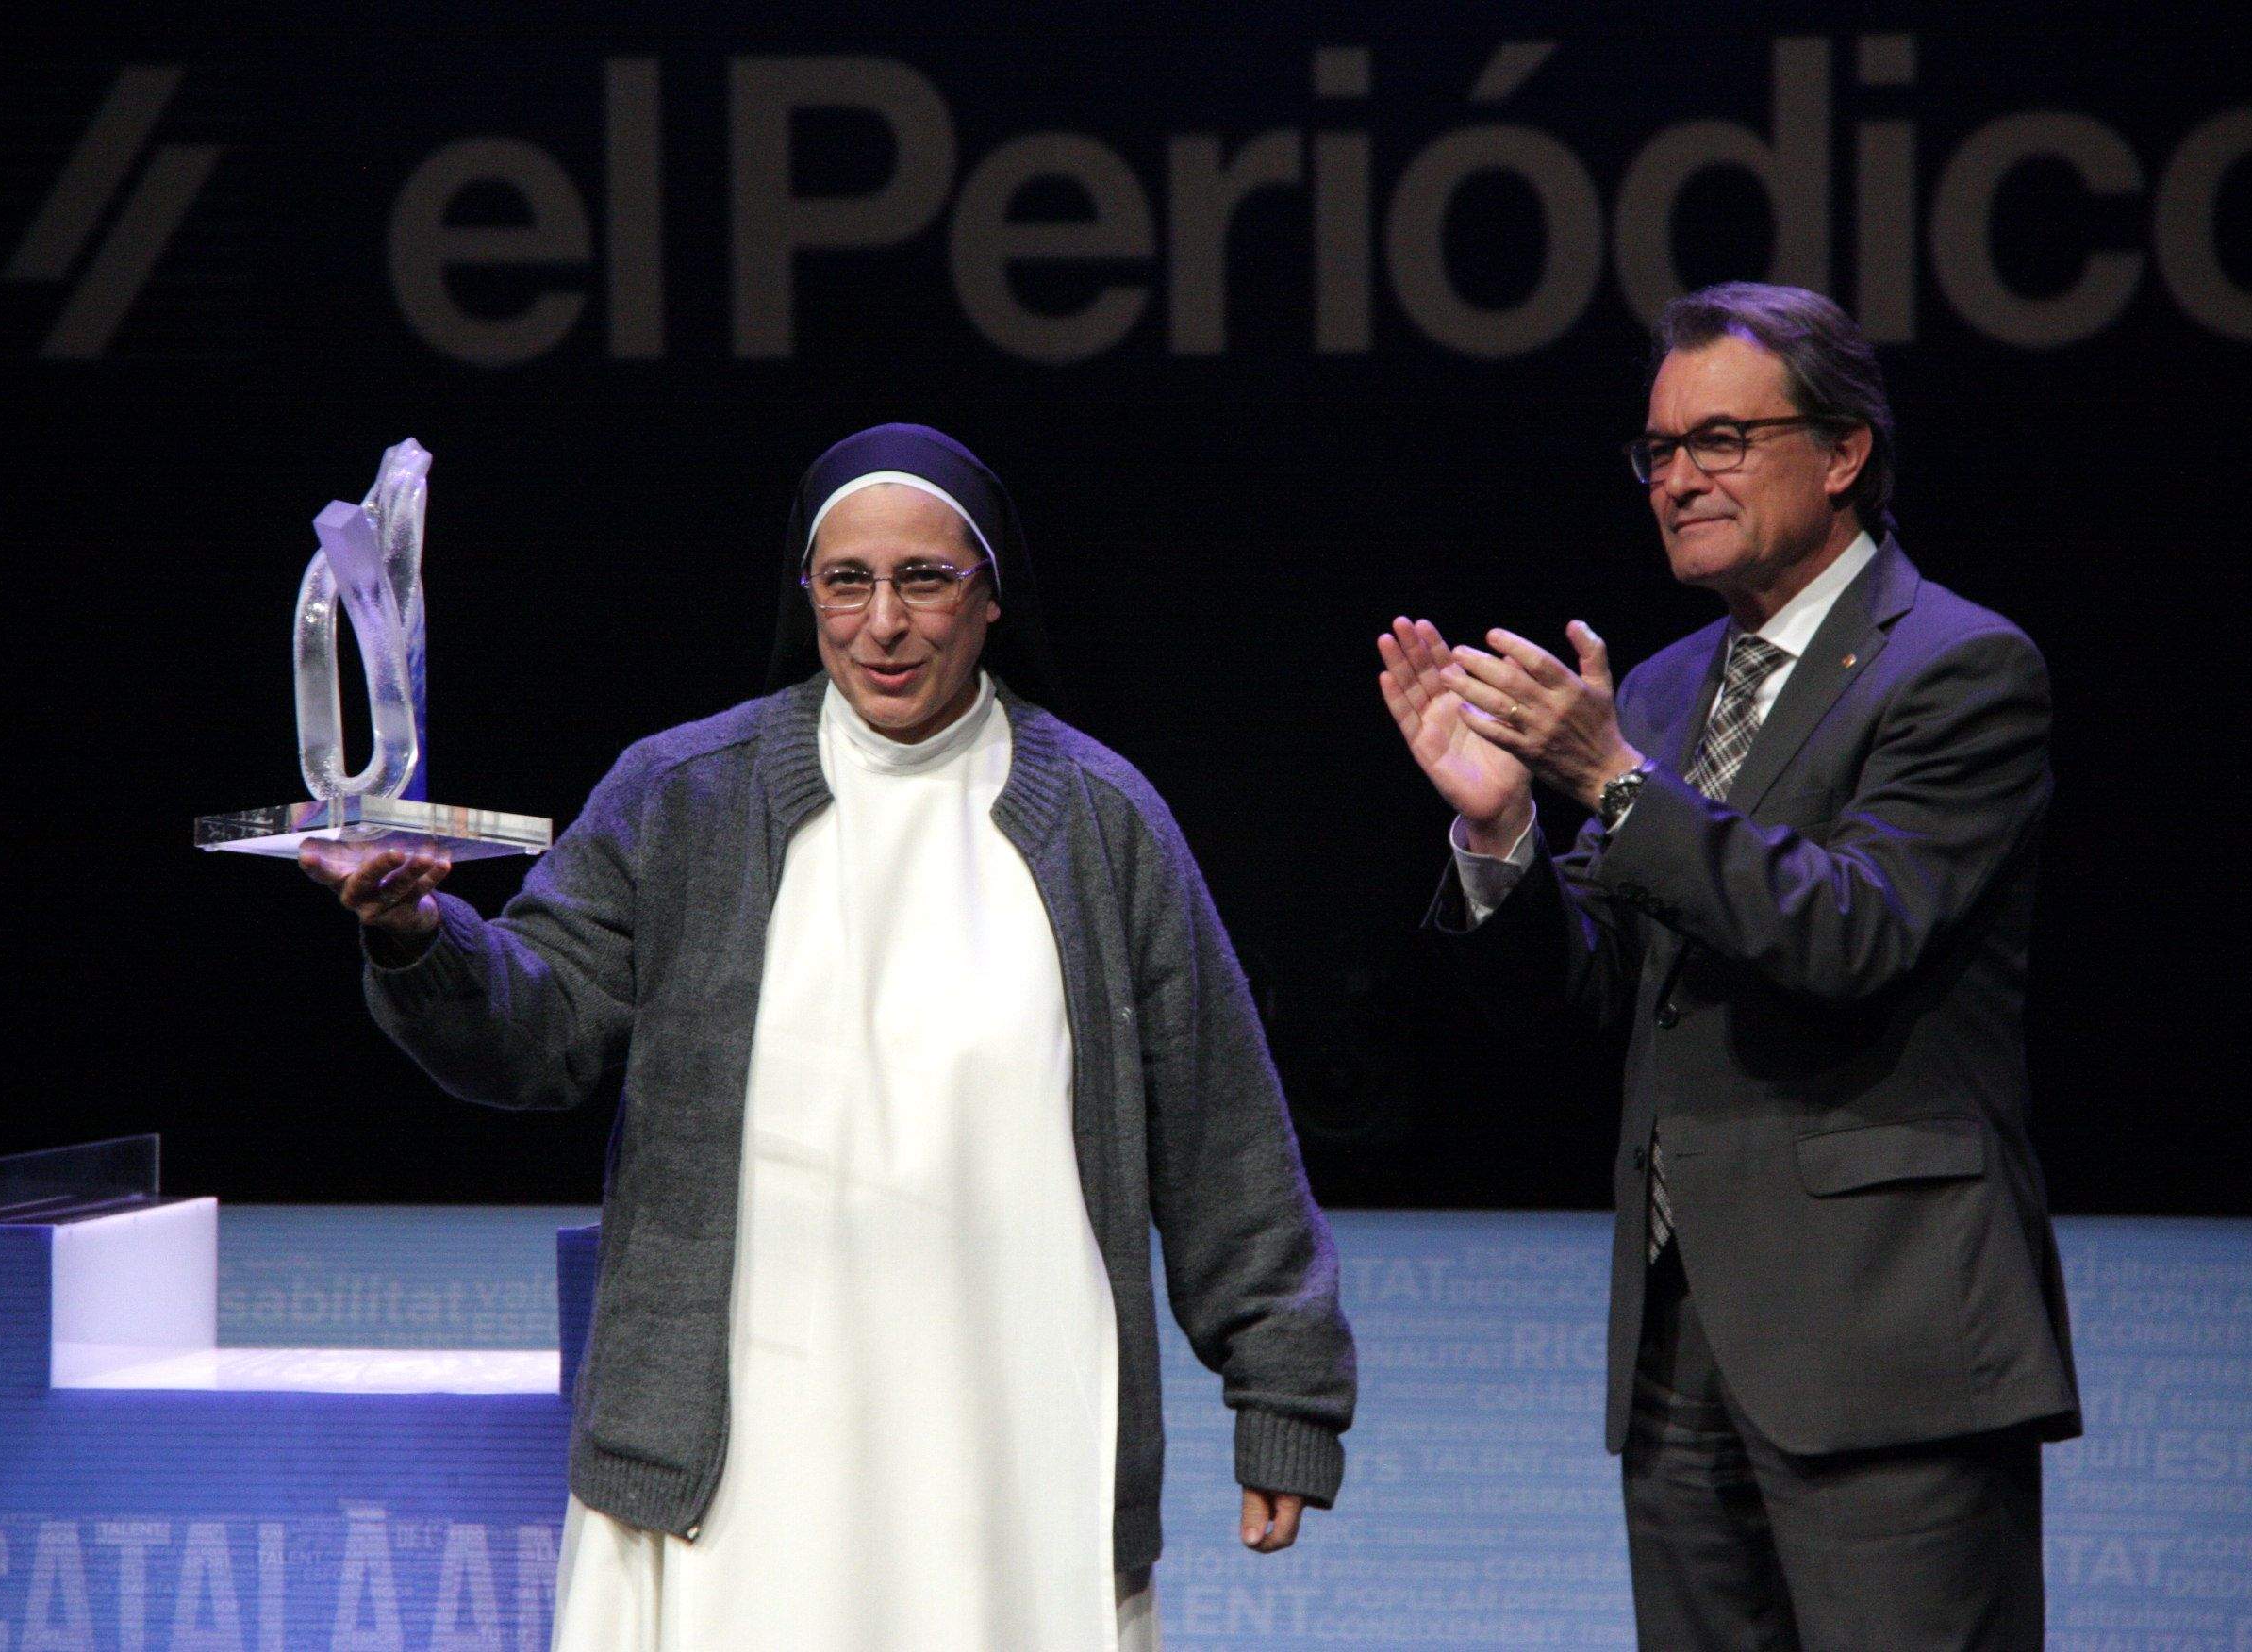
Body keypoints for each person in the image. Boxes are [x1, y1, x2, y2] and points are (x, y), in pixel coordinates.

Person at [305, 423, 1355, 1650]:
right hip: (740, 1453)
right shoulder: (682, 795)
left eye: (925, 579)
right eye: (846, 582)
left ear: (994, 594)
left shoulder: (1101, 824)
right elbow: (537, 1030)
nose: (884, 623)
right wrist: (416, 935)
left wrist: (1283, 1394)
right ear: (805, 594)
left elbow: (1221, 1128)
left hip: (1009, 1446)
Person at [1378, 283, 2078, 1648]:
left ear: (1843, 452)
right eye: (1659, 452)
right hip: (1681, 1341)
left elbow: (1855, 929)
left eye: (1721, 442)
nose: (1679, 480)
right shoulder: (1657, 691)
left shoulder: (1960, 667)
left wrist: (1619, 787)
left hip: (1885, 1337)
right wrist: (1503, 822)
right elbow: (1587, 990)